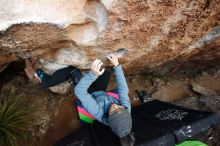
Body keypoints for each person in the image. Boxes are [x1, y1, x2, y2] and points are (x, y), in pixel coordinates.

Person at [26, 54, 135, 146]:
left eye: (113, 111)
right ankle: (90, 77)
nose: (115, 106)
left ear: (108, 116)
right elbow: (123, 88)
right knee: (105, 72)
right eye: (119, 107)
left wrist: (92, 75)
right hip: (100, 93)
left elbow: (80, 92)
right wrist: (117, 65)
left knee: (72, 71)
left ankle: (46, 81)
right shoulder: (126, 109)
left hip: (89, 95)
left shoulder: (98, 112)